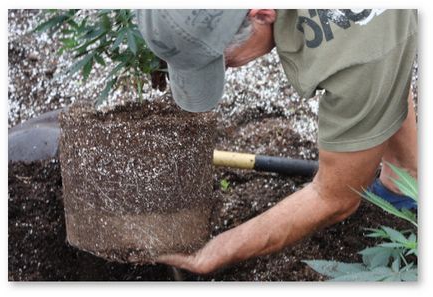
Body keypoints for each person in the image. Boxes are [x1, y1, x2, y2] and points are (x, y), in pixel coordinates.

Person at [136, 9, 418, 274]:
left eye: (223, 62)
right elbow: (384, 77)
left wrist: (216, 251)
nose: (229, 68)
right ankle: (407, 176)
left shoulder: (354, 52)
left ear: (262, 14)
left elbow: (335, 198)